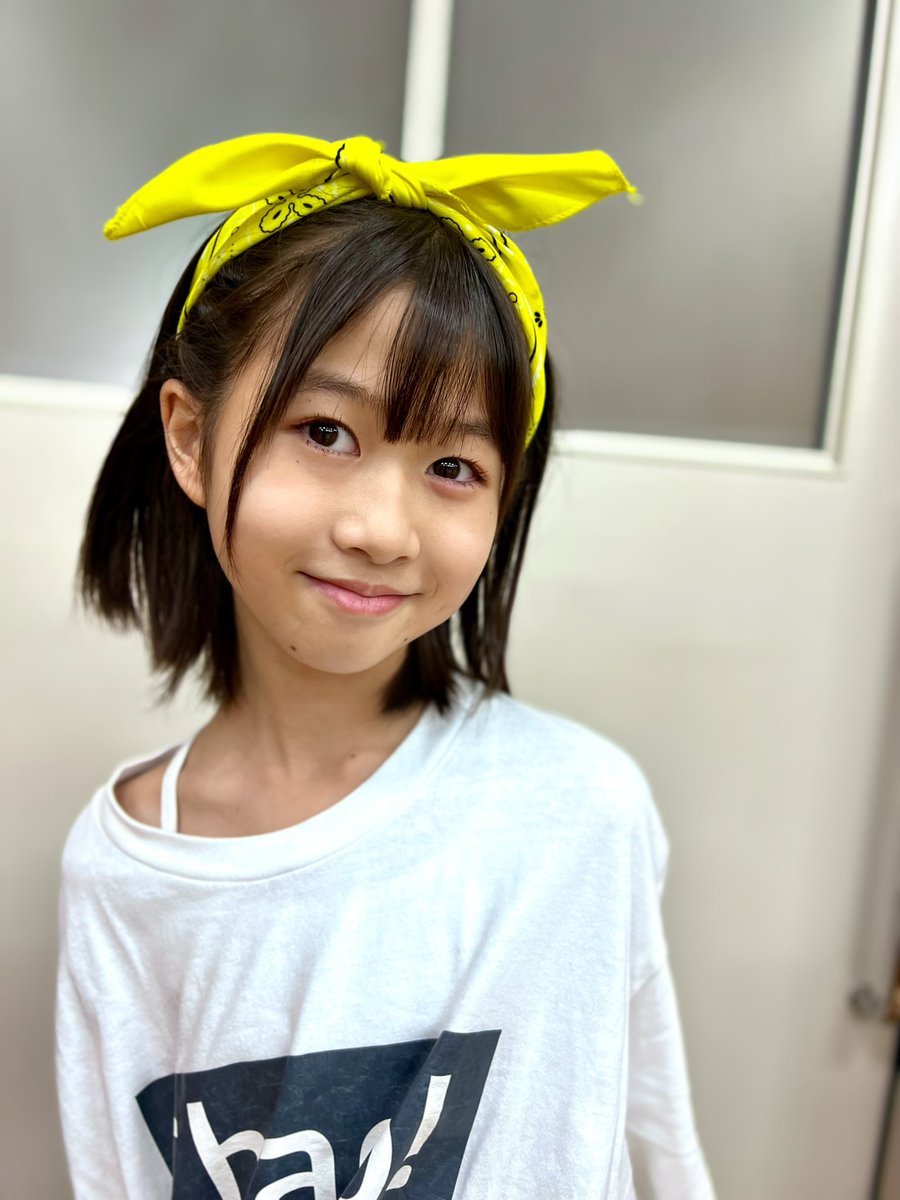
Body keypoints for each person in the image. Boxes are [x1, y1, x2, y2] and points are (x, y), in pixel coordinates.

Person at [55, 133, 716, 1199]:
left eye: (453, 464)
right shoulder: (126, 869)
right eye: (325, 432)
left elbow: (652, 1143)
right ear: (189, 435)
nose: (381, 529)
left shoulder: (583, 811)